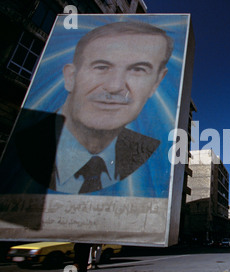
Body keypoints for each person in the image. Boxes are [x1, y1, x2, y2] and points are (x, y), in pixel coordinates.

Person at [0, 21, 173, 194]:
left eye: (138, 69)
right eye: (102, 67)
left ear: (156, 83)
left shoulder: (149, 161)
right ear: (71, 76)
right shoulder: (19, 146)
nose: (115, 86)